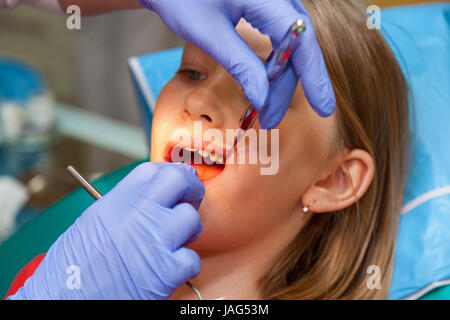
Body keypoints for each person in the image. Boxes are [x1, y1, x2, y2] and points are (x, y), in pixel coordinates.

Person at [8, 0, 410, 299]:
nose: (198, 103)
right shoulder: (62, 272)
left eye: (259, 94)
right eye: (191, 72)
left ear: (335, 180)